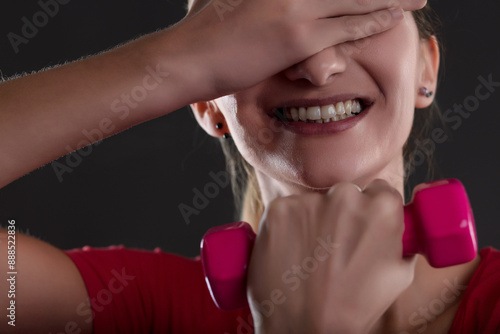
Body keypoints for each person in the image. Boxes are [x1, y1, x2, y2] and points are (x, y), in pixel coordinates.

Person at [1, 0, 500, 333]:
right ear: (207, 104)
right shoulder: (149, 307)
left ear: (424, 70)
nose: (317, 67)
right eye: (267, 32)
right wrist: (171, 63)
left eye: (357, 11)